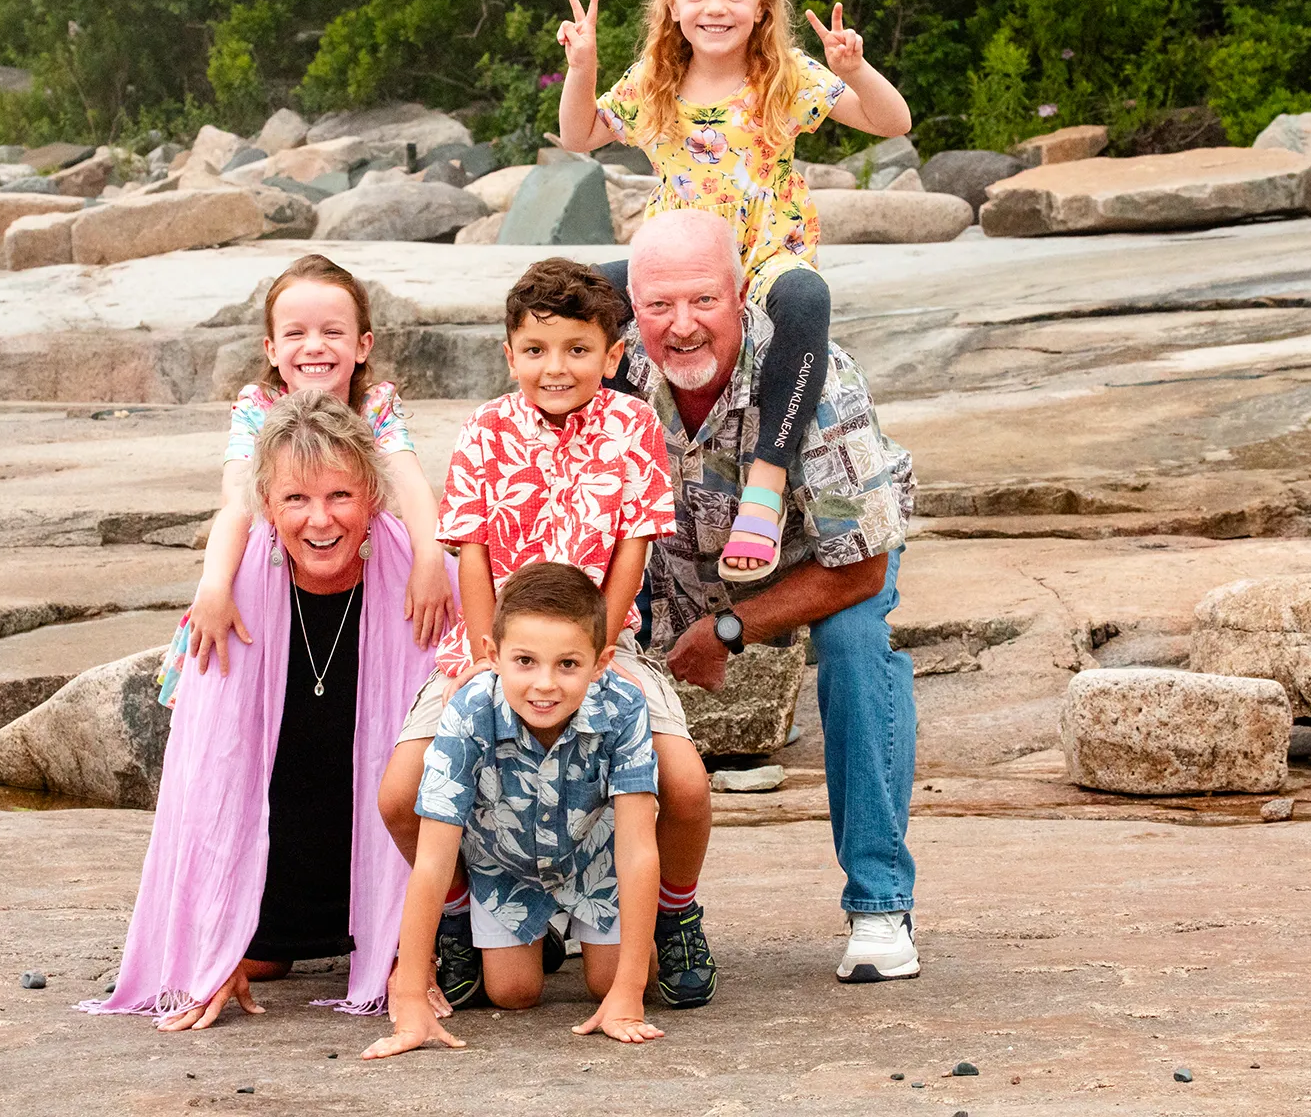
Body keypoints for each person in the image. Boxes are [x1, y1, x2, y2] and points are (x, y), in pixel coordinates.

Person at [375, 259, 718, 1013]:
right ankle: (463, 916)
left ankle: (675, 908)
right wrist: (480, 652)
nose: (554, 368)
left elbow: (634, 545)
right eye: (535, 350)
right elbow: (469, 547)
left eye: (576, 350)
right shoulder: (488, 429)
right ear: (509, 353)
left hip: (600, 645)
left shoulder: (631, 426)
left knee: (686, 783)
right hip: (495, 644)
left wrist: (597, 653)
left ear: (613, 355)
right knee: (401, 794)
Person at [556, 0, 913, 585]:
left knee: (806, 296)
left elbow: (891, 123)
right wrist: (583, 67)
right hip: (679, 256)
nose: (714, 8)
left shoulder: (785, 74)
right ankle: (572, 471)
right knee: (573, 298)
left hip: (763, 250)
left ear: (762, 5)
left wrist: (857, 69)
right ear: (671, 2)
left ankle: (766, 484)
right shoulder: (654, 78)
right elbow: (580, 136)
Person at [81, 390, 448, 1026]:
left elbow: (455, 764)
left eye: (340, 496)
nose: (320, 520)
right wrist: (213, 947)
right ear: (268, 509)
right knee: (258, 954)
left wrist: (408, 954)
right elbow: (210, 778)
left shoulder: (422, 579)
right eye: (295, 500)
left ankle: (395, 936)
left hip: (396, 859)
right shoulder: (235, 589)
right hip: (286, 857)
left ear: (373, 497)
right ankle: (263, 934)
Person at [622, 208, 922, 983]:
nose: (681, 327)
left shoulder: (818, 383)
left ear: (741, 294)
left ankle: (880, 905)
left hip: (813, 567)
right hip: (661, 573)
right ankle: (571, 897)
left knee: (858, 643)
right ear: (631, 303)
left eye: (703, 302)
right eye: (658, 306)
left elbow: (860, 568)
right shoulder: (612, 368)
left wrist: (728, 629)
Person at [363, 562, 664, 1059]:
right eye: (525, 661)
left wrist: (627, 997)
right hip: (506, 866)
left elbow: (636, 850)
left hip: (595, 861)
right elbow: (435, 858)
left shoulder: (624, 705)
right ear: (492, 654)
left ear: (601, 661)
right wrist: (411, 994)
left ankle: (628, 940)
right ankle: (538, 934)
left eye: (568, 664)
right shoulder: (468, 711)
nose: (544, 684)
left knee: (613, 980)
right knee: (513, 993)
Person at [156, 254, 454, 705]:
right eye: (296, 333)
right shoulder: (259, 405)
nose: (314, 346)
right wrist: (214, 587)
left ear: (362, 345)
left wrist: (429, 561)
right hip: (279, 560)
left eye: (332, 332)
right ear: (273, 350)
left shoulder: (374, 405)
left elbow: (410, 484)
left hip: (356, 559)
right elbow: (237, 502)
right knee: (243, 550)